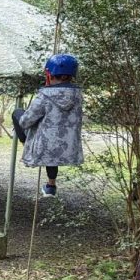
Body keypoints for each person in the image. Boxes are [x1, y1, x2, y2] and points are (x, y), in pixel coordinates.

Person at [11, 53, 84, 197]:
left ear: (49, 74)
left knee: (17, 113)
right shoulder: (78, 96)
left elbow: (26, 121)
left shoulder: (45, 96)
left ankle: (26, 143)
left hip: (44, 146)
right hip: (67, 146)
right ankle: (51, 185)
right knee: (52, 151)